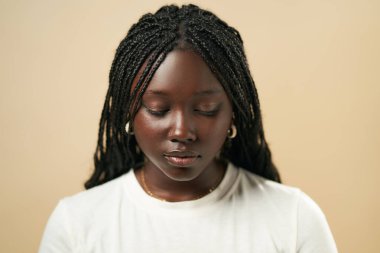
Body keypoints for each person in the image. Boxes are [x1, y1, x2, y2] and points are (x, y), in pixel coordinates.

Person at [39, 4, 338, 253]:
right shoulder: (75, 224)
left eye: (205, 109)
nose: (182, 131)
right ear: (128, 110)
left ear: (233, 112)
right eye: (158, 109)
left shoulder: (294, 218)